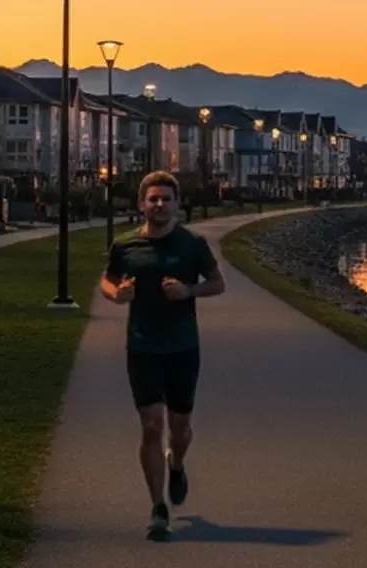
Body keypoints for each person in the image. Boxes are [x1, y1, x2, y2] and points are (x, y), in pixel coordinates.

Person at [101, 171, 227, 539]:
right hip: (142, 347)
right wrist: (116, 293)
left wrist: (189, 291)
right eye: (152, 199)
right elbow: (108, 280)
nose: (159, 205)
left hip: (183, 348)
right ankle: (158, 508)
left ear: (176, 204)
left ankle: (178, 465)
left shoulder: (192, 244)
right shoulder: (125, 246)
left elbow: (218, 284)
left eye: (166, 199)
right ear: (142, 203)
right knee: (152, 425)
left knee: (181, 428)